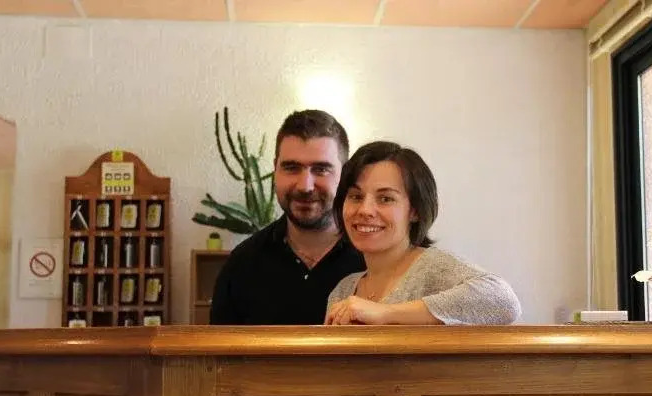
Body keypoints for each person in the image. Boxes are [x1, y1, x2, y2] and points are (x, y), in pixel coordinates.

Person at [324, 141, 521, 325]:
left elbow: (504, 301)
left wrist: (385, 313)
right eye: (356, 196)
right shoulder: (343, 290)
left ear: (415, 211)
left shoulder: (432, 269)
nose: (365, 210)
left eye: (385, 199)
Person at [210, 110, 365, 325]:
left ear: (345, 174)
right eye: (291, 168)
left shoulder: (374, 258)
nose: (305, 186)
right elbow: (218, 346)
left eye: (321, 169)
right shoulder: (241, 265)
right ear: (275, 169)